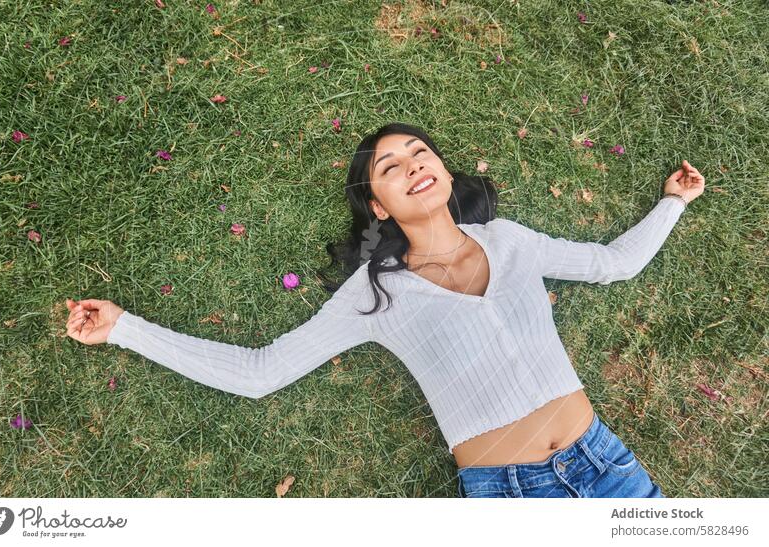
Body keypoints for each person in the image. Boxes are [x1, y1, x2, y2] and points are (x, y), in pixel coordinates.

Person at [65, 122, 705, 498]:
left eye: (421, 154)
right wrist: (126, 328)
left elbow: (614, 263)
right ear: (378, 206)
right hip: (511, 496)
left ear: (448, 175)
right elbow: (260, 373)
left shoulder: (510, 240)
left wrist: (673, 202)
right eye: (391, 167)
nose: (413, 165)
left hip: (609, 467)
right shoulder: (377, 293)